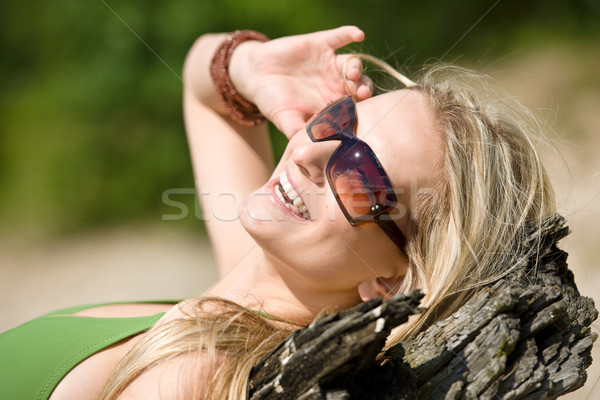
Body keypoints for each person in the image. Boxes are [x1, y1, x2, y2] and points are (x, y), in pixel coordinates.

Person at [0, 26, 555, 399]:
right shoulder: (239, 292)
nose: (311, 151)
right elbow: (205, 91)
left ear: (393, 280)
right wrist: (252, 64)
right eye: (340, 121)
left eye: (361, 174)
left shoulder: (202, 373)